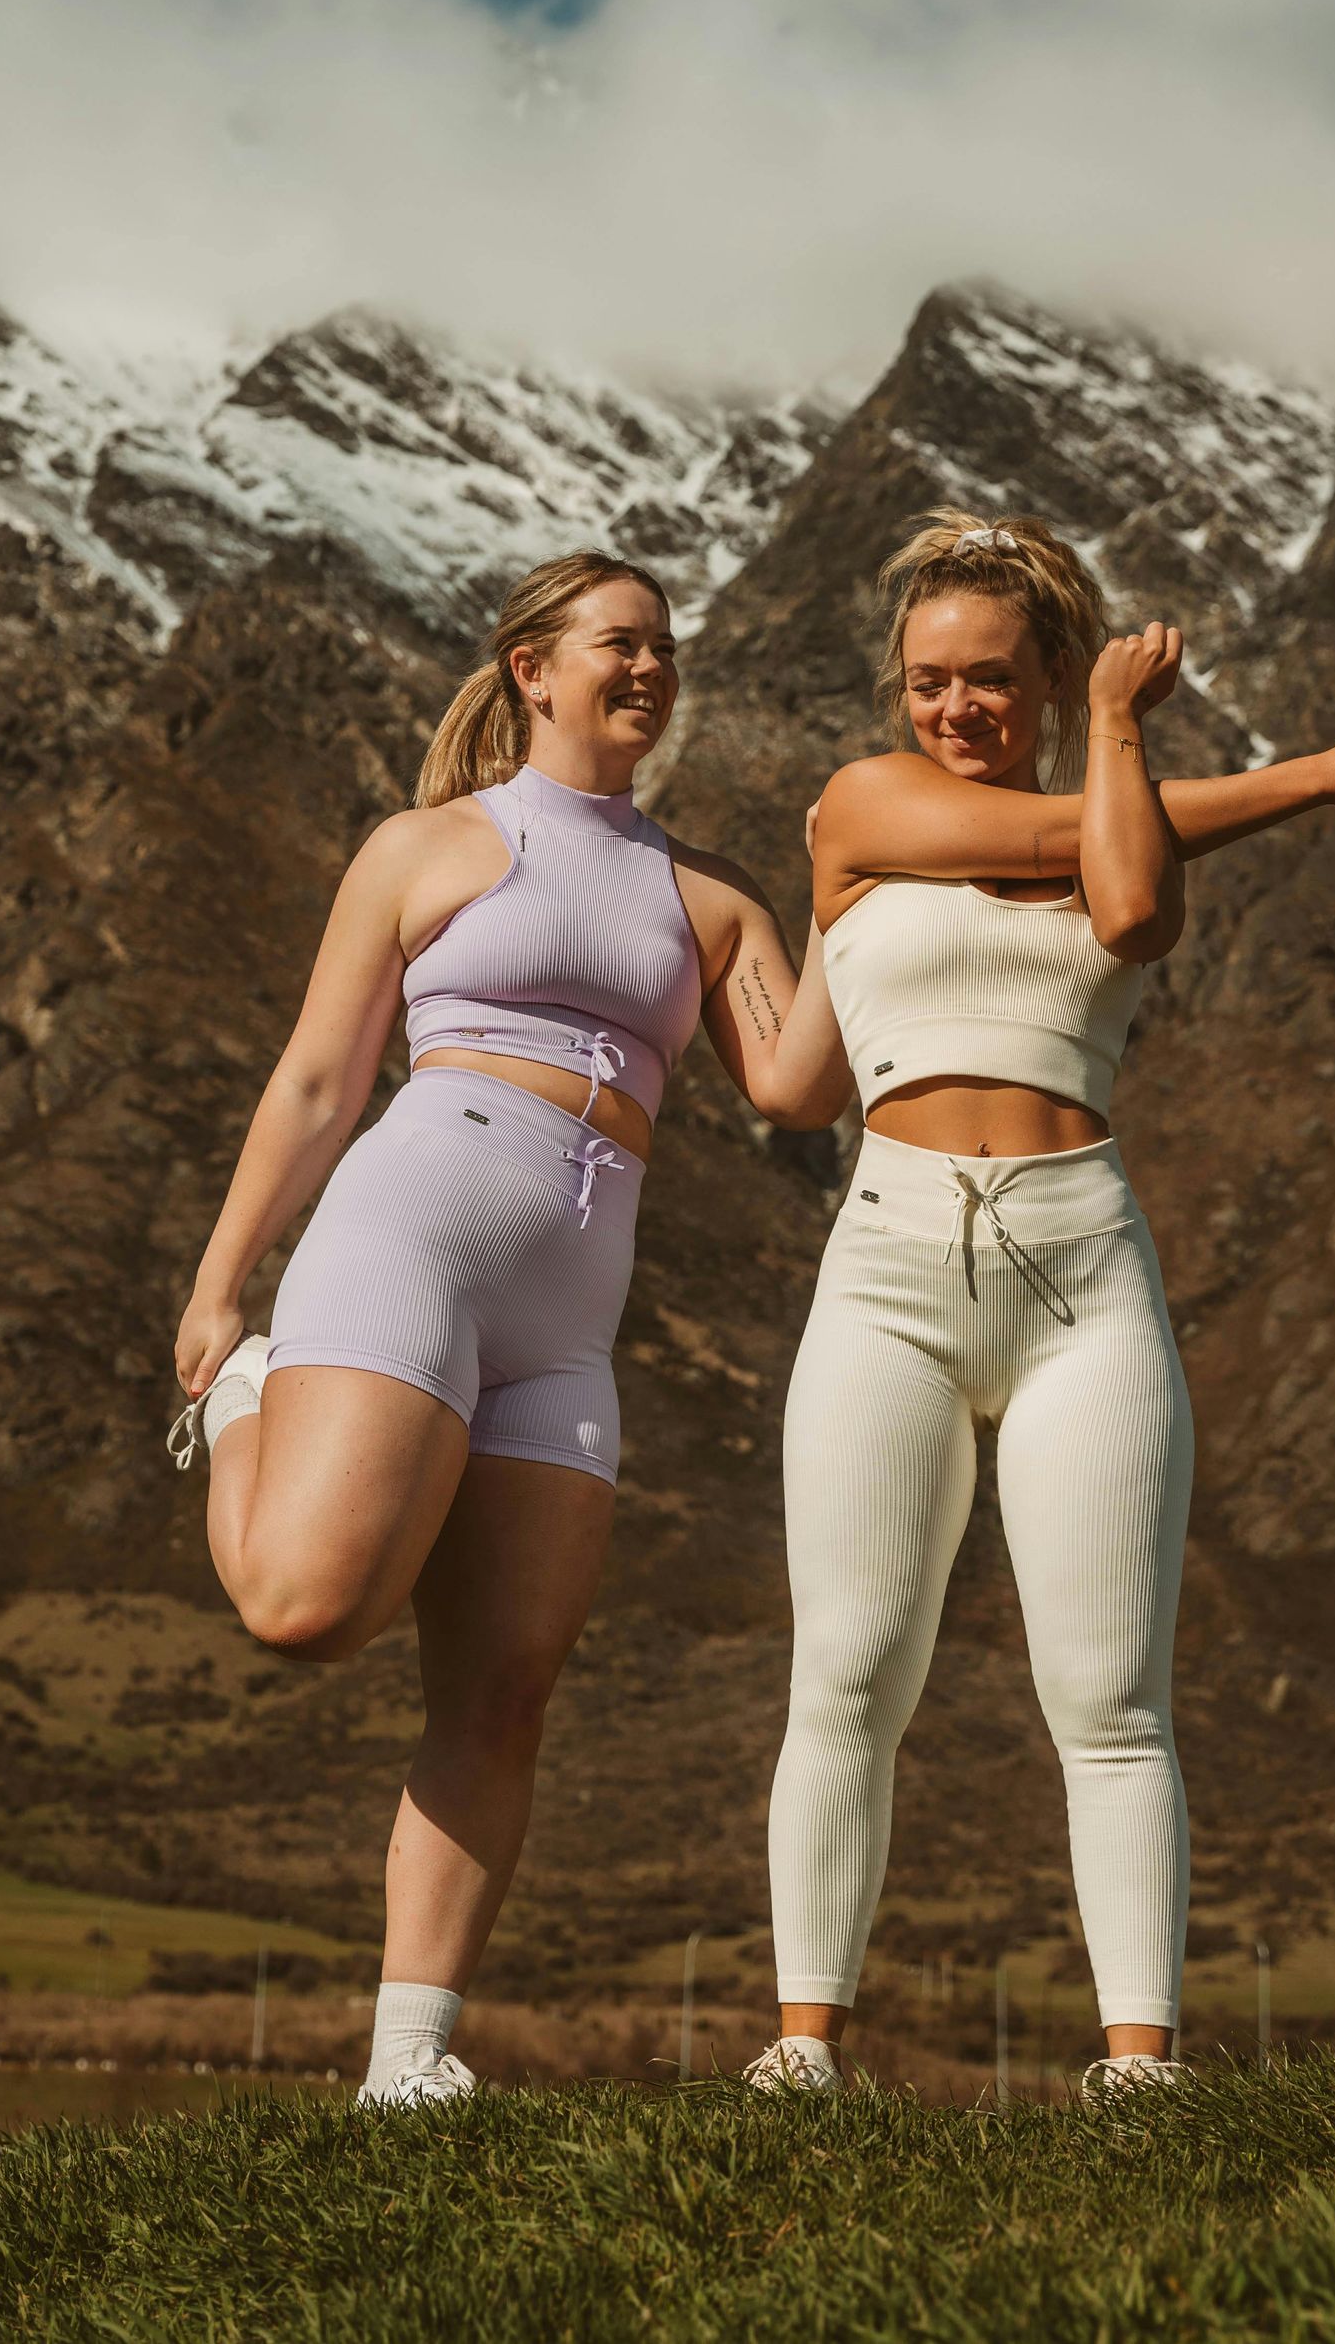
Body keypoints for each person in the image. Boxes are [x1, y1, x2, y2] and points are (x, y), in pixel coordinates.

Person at [743, 511, 1335, 2101]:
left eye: (990, 680)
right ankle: (802, 2054)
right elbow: (1051, 853)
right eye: (927, 681)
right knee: (849, 1666)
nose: (954, 710)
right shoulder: (859, 803)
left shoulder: (1112, 799)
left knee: (1109, 1692)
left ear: (1056, 674)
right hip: (888, 1263)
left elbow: (1124, 902)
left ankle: (1141, 2068)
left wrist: (1124, 738)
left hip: (1081, 1268)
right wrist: (1312, 778)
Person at [167, 549, 848, 2106]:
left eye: (666, 646)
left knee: (505, 1688)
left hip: (571, 1311)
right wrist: (222, 1286)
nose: (650, 665)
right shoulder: (431, 846)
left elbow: (803, 1088)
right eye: (619, 642)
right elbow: (321, 1082)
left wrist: (851, 889)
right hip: (415, 1229)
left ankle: (407, 2064)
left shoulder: (715, 902)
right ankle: (250, 1403)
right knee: (303, 1608)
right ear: (534, 669)